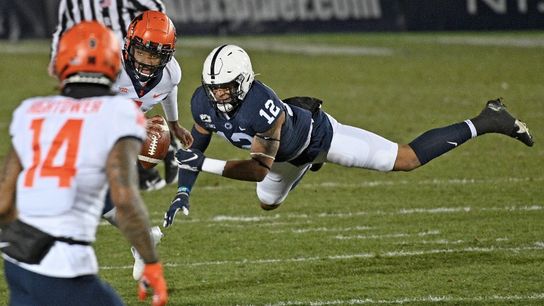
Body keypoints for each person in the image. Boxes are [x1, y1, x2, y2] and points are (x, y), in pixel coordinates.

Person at [162, 44, 534, 227]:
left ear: (243, 81)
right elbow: (198, 143)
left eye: (225, 88)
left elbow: (258, 168)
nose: (218, 95)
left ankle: (487, 120)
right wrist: (183, 191)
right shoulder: (203, 102)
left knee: (404, 160)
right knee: (267, 205)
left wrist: (200, 163)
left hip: (319, 136)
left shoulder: (261, 104)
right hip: (285, 159)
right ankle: (306, 167)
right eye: (214, 88)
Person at [0, 22, 167, 305]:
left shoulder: (31, 110)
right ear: (115, 62)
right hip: (62, 263)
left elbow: (4, 201)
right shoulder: (119, 113)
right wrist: (151, 262)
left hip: (16, 257)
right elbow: (125, 200)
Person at [49, 1, 192, 191]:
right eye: (141, 52)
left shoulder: (171, 73)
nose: (147, 62)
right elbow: (93, 107)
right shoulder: (111, 65)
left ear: (167, 56)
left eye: (155, 56)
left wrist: (174, 124)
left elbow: (169, 89)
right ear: (128, 44)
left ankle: (152, 160)